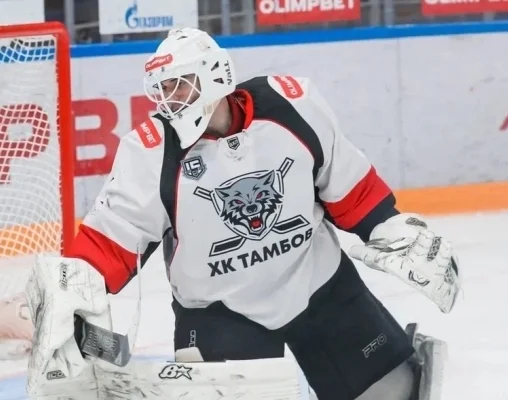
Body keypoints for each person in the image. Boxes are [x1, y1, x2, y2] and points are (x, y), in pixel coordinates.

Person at [25, 27, 460, 400]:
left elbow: (350, 186)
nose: (170, 99)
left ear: (216, 75)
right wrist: (73, 291)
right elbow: (112, 237)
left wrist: (390, 226)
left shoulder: (293, 105)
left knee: (392, 392)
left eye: (181, 85)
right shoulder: (151, 151)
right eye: (163, 89)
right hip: (220, 311)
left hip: (319, 286)